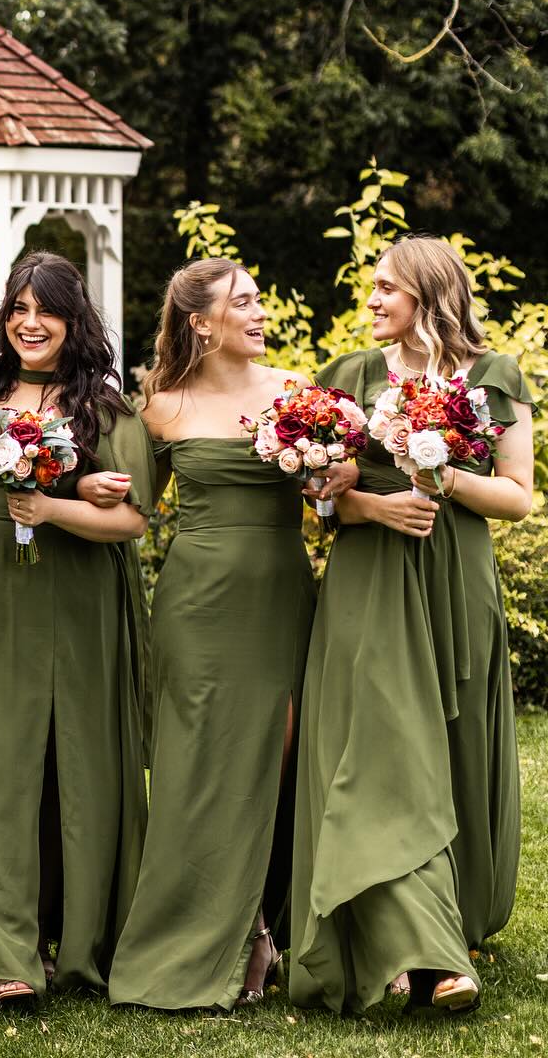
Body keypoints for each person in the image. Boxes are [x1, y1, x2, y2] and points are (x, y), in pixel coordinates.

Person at [290, 235, 534, 1014]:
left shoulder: (494, 376)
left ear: (428, 294)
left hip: (455, 572)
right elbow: (317, 496)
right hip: (369, 577)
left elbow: (518, 495)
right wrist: (366, 502)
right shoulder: (349, 378)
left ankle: (451, 923)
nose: (371, 301)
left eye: (386, 289)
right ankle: (399, 933)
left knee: (455, 741)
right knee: (379, 745)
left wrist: (442, 472)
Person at [0, 251, 152, 1004]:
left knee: (68, 765)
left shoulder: (107, 411)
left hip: (74, 596)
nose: (30, 322)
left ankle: (75, 935)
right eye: (17, 308)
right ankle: (2, 948)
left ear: (73, 319)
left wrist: (57, 503)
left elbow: (134, 517)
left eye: (45, 308)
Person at [108, 260, 318, 1010]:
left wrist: (332, 482)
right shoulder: (161, 407)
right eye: (244, 302)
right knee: (197, 766)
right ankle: (242, 934)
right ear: (201, 322)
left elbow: (335, 493)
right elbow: (131, 509)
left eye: (260, 299)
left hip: (280, 598)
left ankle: (270, 920)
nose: (260, 312)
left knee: (274, 758)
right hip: (195, 604)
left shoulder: (298, 392)